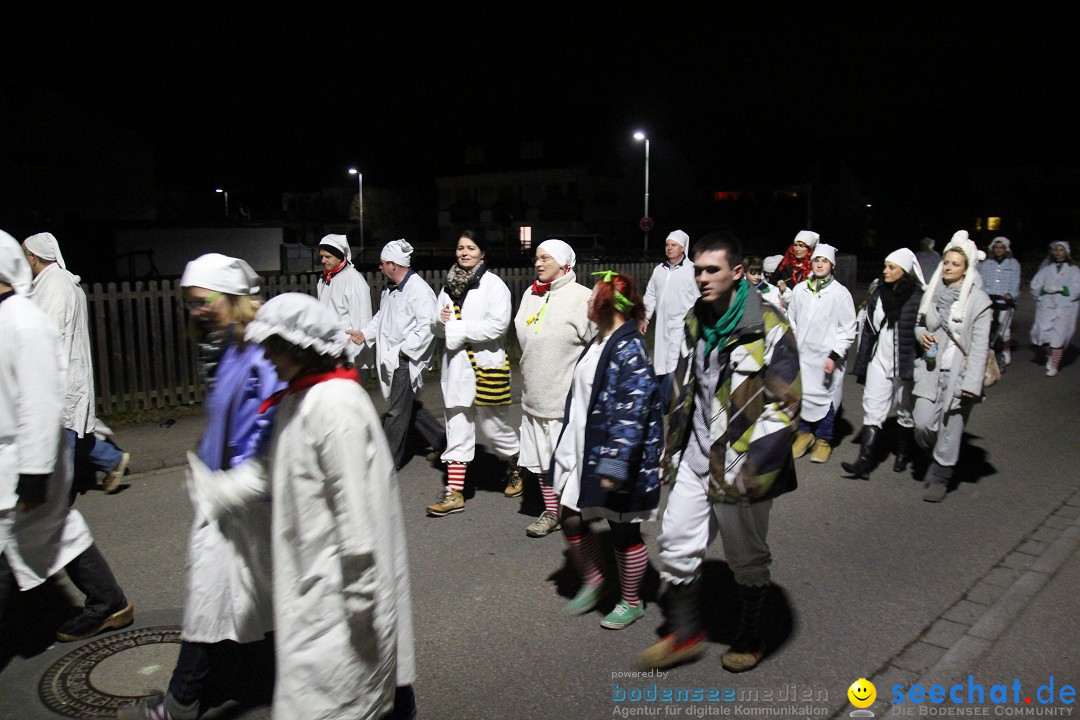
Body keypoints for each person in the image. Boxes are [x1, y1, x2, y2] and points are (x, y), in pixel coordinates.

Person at [186, 292, 416, 720]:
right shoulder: (298, 399)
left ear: (299, 348)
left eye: (273, 347)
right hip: (313, 580)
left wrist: (361, 599)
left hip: (341, 590)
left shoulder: (336, 407)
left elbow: (356, 514)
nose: (266, 358)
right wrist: (217, 489)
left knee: (346, 697)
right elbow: (269, 470)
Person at [119, 255, 283, 720]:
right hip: (227, 492)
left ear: (230, 297)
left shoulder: (260, 348)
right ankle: (259, 681)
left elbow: (269, 428)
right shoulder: (228, 343)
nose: (194, 310)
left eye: (201, 301)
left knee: (209, 600)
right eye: (187, 303)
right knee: (249, 597)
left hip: (244, 499)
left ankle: (179, 704)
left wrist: (231, 485)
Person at [637, 229, 800, 673]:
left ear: (738, 272)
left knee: (746, 556)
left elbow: (786, 406)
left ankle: (749, 632)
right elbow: (683, 384)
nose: (702, 278)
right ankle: (686, 634)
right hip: (694, 457)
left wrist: (757, 469)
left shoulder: (769, 324)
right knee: (675, 543)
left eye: (712, 270)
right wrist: (661, 434)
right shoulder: (697, 318)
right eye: (698, 270)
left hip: (741, 462)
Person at [0, 230, 133, 645]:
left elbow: (40, 392)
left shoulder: (32, 311)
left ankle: (101, 603)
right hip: (26, 445)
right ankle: (105, 601)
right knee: (52, 529)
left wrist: (36, 471)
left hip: (30, 446)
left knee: (43, 528)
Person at [552, 271, 662, 630]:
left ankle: (631, 601)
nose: (587, 301)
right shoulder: (599, 342)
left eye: (593, 295)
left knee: (622, 530)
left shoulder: (629, 348)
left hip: (616, 456)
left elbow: (632, 412)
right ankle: (596, 579)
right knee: (568, 514)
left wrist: (615, 466)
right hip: (585, 448)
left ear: (607, 304)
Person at [22, 232, 131, 494]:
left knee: (62, 437)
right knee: (72, 429)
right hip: (69, 370)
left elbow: (50, 332)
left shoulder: (55, 286)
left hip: (60, 373)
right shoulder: (59, 281)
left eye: (25, 256)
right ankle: (111, 459)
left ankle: (57, 497)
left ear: (34, 258)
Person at [425, 230, 522, 517]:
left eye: (470, 248)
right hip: (455, 367)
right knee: (457, 427)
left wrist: (456, 328)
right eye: (460, 248)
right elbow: (436, 328)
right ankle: (454, 493)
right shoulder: (446, 287)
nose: (464, 253)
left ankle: (517, 466)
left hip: (485, 366)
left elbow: (497, 327)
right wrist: (440, 324)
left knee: (494, 429)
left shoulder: (495, 286)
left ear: (482, 252)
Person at [514, 239, 595, 538]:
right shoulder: (530, 294)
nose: (538, 263)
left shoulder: (582, 298)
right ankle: (553, 511)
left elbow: (599, 345)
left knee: (569, 460)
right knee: (540, 461)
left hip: (565, 400)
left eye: (545, 258)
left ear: (565, 263)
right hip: (533, 395)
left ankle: (575, 509)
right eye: (536, 258)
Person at [912, 231, 993, 502]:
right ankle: (936, 454)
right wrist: (919, 335)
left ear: (967, 269)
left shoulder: (978, 301)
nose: (948, 267)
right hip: (931, 369)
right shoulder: (932, 293)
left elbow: (980, 345)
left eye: (955, 263)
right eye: (946, 262)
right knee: (922, 423)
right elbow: (920, 324)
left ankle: (941, 476)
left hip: (960, 374)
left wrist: (972, 383)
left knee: (951, 427)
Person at [352, 239, 445, 470]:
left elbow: (427, 328)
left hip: (405, 361)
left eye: (382, 263)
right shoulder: (390, 289)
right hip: (393, 358)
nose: (379, 267)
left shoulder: (419, 291)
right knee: (407, 407)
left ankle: (384, 464)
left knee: (395, 413)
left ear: (393, 264)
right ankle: (443, 443)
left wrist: (403, 352)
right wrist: (365, 334)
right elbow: (381, 317)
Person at [841, 249, 925, 480]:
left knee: (904, 408)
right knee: (873, 407)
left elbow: (923, 329)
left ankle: (902, 454)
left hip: (905, 361)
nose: (885, 271)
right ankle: (863, 464)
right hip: (880, 358)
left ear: (904, 271)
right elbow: (869, 330)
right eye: (885, 266)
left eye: (891, 267)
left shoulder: (918, 296)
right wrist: (862, 362)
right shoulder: (878, 294)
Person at [786, 243, 857, 464]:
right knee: (804, 397)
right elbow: (791, 320)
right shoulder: (800, 290)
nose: (819, 264)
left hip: (827, 359)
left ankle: (823, 440)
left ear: (832, 265)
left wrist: (834, 356)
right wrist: (793, 347)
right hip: (803, 357)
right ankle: (804, 434)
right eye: (816, 260)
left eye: (824, 261)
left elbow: (848, 329)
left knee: (827, 401)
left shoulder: (840, 294)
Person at [642, 229, 700, 381]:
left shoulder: (692, 270)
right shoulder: (659, 270)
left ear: (682, 248)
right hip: (662, 325)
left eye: (674, 245)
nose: (669, 248)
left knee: (678, 366)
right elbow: (650, 294)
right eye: (667, 245)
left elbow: (699, 298)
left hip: (682, 327)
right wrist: (645, 318)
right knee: (661, 365)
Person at [316, 234, 373, 366]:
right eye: (321, 256)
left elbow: (362, 321)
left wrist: (359, 360)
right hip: (328, 351)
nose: (323, 260)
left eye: (328, 256)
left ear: (340, 257)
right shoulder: (324, 280)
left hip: (347, 354)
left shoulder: (354, 281)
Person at [1029, 240, 1080, 377]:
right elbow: (1035, 285)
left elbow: (1077, 287)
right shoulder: (1046, 269)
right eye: (1056, 250)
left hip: (1065, 307)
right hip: (1047, 306)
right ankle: (1050, 356)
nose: (1058, 253)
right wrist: (1043, 289)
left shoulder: (1074, 270)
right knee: (1044, 334)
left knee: (1059, 336)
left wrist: (1063, 289)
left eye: (1061, 250)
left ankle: (1054, 364)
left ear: (1066, 252)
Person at [979, 236, 1021, 368]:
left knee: (1004, 330)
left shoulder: (1013, 264)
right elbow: (982, 281)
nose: (998, 250)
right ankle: (986, 352)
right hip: (990, 300)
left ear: (1006, 249)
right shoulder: (986, 264)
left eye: (1001, 248)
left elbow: (1015, 283)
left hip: (1005, 301)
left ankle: (1005, 350)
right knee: (986, 328)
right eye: (996, 248)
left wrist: (1011, 295)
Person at [768, 229, 819, 295]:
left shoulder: (814, 267)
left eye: (801, 246)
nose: (797, 249)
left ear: (809, 249)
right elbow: (772, 282)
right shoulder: (785, 263)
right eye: (795, 245)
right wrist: (779, 284)